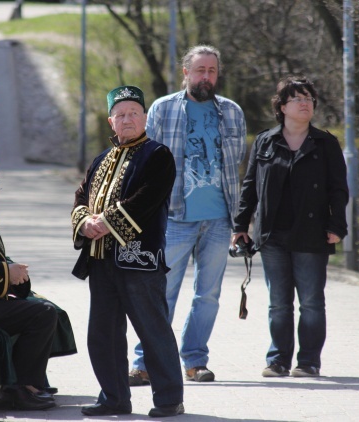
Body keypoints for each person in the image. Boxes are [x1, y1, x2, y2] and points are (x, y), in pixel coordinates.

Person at [130, 45, 247, 385]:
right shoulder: (162, 109)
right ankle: (145, 362)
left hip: (218, 220)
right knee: (161, 293)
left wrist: (240, 224)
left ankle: (195, 360)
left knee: (208, 296)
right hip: (173, 218)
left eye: (212, 70)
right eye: (200, 70)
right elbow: (144, 163)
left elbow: (235, 167)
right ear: (186, 72)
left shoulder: (233, 112)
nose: (206, 77)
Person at [72, 86, 184, 418]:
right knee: (102, 334)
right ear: (111, 122)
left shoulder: (158, 154)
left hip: (140, 260)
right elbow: (80, 196)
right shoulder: (100, 159)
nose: (127, 119)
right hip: (100, 260)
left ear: (145, 117)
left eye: (134, 113)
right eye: (120, 115)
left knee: (153, 331)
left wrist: (105, 222)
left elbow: (148, 199)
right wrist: (84, 223)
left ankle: (168, 400)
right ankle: (114, 398)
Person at [232, 76, 348, 378]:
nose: (305, 102)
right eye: (297, 98)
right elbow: (250, 187)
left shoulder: (325, 143)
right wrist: (241, 225)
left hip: (312, 234)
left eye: (309, 97)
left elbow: (339, 189)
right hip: (272, 235)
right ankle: (278, 360)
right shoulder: (265, 141)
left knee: (311, 301)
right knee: (279, 303)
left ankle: (308, 362)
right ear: (282, 106)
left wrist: (337, 225)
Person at [0, 155, 77, 411]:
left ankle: (30, 381)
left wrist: (17, 275)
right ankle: (18, 388)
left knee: (46, 306)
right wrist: (7, 274)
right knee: (41, 314)